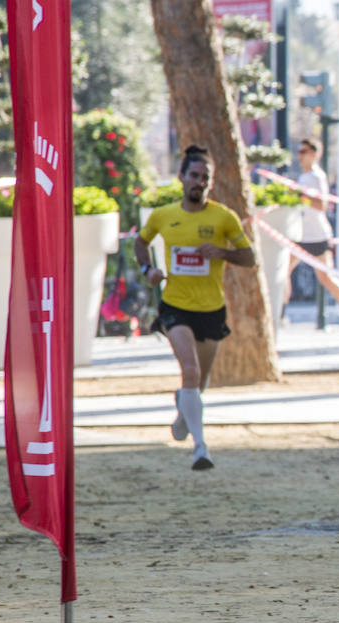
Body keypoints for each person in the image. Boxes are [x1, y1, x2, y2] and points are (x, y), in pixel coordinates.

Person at [135, 145, 257, 471]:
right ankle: (200, 448)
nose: (198, 182)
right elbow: (140, 241)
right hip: (175, 305)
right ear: (181, 177)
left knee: (198, 382)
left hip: (211, 309)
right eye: (194, 175)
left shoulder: (223, 218)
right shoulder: (164, 216)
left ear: (210, 183)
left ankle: (182, 413)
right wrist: (149, 271)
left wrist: (222, 252)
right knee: (189, 370)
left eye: (205, 178)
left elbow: (250, 258)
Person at [287, 138, 339, 333]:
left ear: (314, 154)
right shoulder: (303, 177)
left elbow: (322, 205)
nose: (300, 155)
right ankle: (280, 313)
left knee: (325, 277)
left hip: (317, 235)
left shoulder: (317, 176)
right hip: (299, 235)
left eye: (304, 151)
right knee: (283, 272)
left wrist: (300, 196)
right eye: (299, 151)